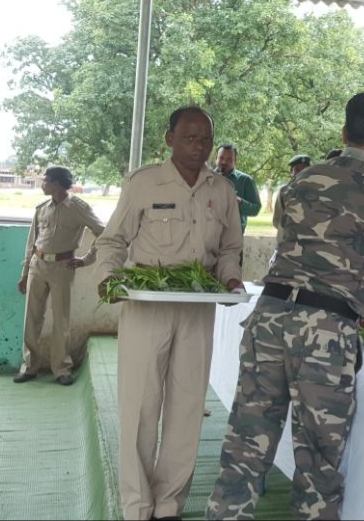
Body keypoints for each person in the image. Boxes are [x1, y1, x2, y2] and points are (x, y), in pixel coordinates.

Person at [206, 90, 364, 520]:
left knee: (245, 447)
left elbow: (291, 230)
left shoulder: (301, 181)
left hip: (269, 317)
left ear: (343, 131)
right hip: (326, 331)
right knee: (319, 463)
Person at [95, 106, 244, 521]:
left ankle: (168, 507)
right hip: (147, 309)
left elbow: (230, 250)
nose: (199, 147)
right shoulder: (144, 184)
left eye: (206, 140)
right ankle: (137, 507)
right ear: (169, 139)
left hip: (196, 312)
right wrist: (108, 278)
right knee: (140, 407)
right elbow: (113, 242)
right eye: (190, 138)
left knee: (187, 409)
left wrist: (232, 279)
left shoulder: (223, 191)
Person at [14, 166, 105, 386]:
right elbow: (31, 243)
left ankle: (61, 369)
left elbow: (103, 232)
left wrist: (86, 259)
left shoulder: (78, 207)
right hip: (38, 265)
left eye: (45, 180)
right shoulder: (42, 208)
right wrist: (25, 273)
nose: (42, 184)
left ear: (56, 183)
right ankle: (29, 366)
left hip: (63, 268)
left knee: (61, 320)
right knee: (32, 319)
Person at [215, 143, 262, 233]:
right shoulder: (206, 179)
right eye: (221, 158)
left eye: (229, 159)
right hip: (209, 238)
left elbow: (256, 209)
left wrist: (239, 202)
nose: (224, 162)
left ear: (235, 161)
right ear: (216, 159)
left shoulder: (246, 180)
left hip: (233, 237)